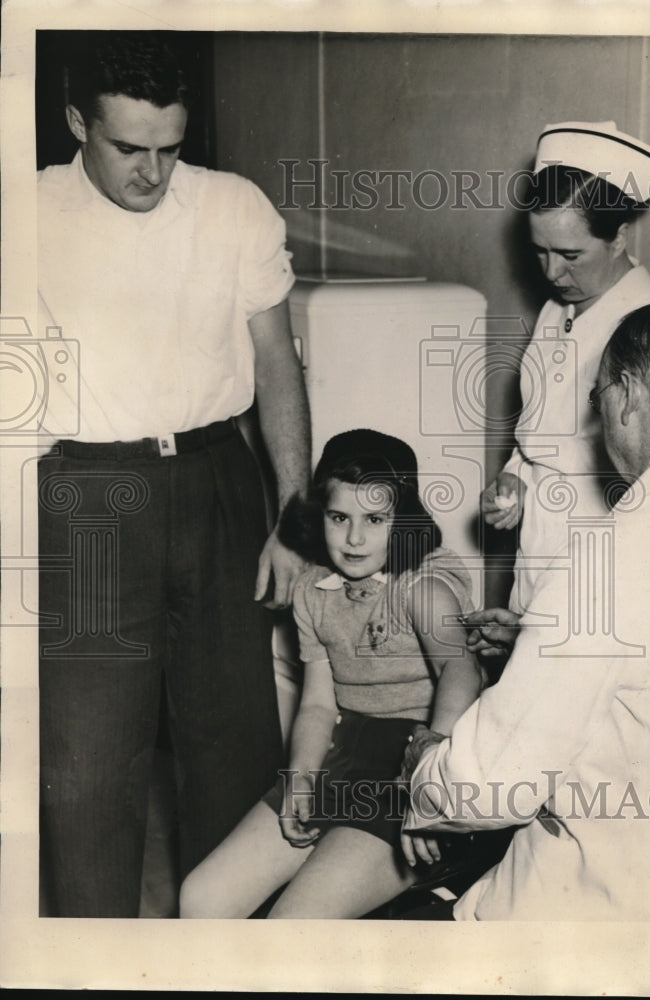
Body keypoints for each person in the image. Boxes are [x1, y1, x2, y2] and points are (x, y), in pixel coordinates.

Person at [36, 32, 310, 916]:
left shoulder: (233, 207)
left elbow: (277, 365)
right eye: (128, 150)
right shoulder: (23, 212)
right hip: (86, 499)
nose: (153, 174)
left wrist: (294, 517)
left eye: (171, 149)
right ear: (78, 122)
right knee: (87, 772)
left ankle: (222, 959)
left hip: (217, 485)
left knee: (234, 752)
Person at [403, 301, 650, 921]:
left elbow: (489, 785)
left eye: (596, 402)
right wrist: (541, 637)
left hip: (596, 915)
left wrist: (422, 769)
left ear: (627, 397)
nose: (598, 428)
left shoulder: (612, 558)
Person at [179, 429, 486, 919]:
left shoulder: (424, 587)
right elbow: (319, 704)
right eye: (339, 517)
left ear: (403, 519)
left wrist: (431, 785)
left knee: (294, 924)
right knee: (201, 899)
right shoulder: (312, 591)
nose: (355, 538)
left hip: (416, 765)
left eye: (375, 519)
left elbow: (462, 673)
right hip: (344, 756)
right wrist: (300, 777)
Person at [469, 121, 650, 658]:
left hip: (596, 560)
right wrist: (510, 484)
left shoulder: (648, 327)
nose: (552, 272)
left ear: (619, 237)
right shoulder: (558, 308)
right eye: (540, 252)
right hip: (538, 551)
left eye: (571, 254)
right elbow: (539, 431)